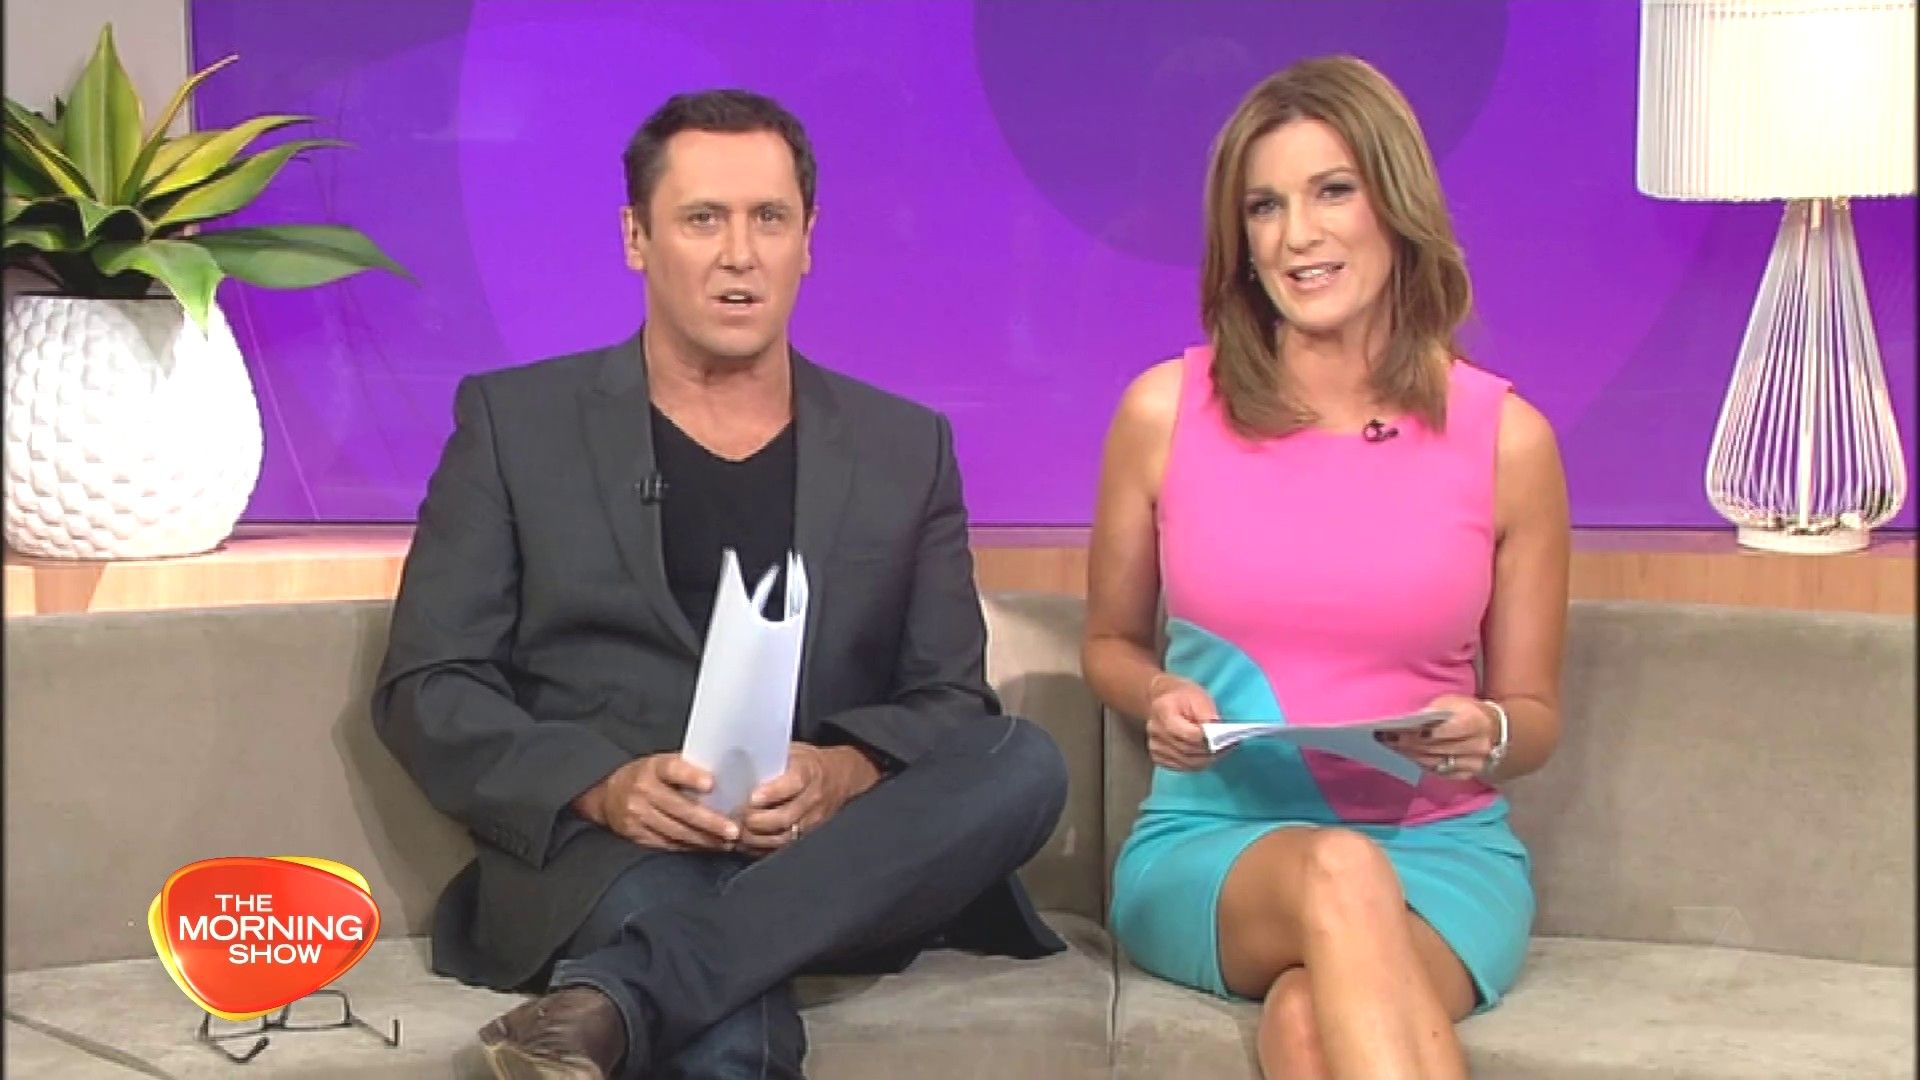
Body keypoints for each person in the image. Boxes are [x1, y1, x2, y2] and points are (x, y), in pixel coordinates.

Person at [373, 88, 1069, 1080]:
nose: (740, 254)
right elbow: (429, 685)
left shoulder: (904, 448)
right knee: (733, 1026)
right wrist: (602, 788)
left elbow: (950, 702)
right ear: (637, 237)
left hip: (830, 857)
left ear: (807, 240)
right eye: (703, 219)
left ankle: (626, 995)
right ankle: (673, 978)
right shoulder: (515, 425)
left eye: (769, 219)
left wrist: (839, 775)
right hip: (616, 858)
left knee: (1022, 761)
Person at [1082, 56, 1570, 1080]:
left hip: (1441, 852)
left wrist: (1490, 731)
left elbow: (1533, 715)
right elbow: (1110, 644)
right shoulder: (1163, 413)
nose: (1297, 234)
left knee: (1310, 1022)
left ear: (1395, 205)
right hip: (1216, 842)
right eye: (1265, 206)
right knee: (1339, 873)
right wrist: (1156, 694)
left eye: (1332, 191)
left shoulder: (1509, 441)